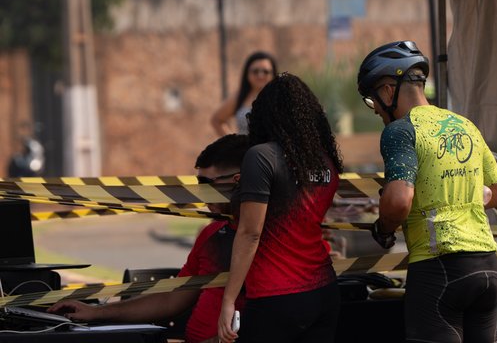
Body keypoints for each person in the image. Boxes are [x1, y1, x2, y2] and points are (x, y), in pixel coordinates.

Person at [356, 41, 497, 343]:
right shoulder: (464, 125)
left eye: (373, 101)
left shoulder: (400, 131)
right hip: (487, 267)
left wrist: (383, 228)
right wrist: (457, 193)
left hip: (439, 268)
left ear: (388, 91)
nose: (376, 111)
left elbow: (399, 201)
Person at [48, 134, 250, 343]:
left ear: (237, 181)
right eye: (199, 185)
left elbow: (264, 322)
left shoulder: (262, 241)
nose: (202, 195)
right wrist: (97, 312)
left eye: (208, 185)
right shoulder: (212, 233)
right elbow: (170, 299)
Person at [218, 73, 342, 343]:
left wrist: (229, 300)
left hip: (275, 296)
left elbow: (250, 233)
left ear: (265, 116)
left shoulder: (262, 157)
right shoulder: (326, 163)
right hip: (324, 290)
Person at [210, 51, 278, 136]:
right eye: (255, 71)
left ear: (273, 74)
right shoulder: (240, 97)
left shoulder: (281, 97)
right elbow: (216, 120)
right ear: (247, 73)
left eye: (266, 71)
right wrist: (232, 141)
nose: (260, 75)